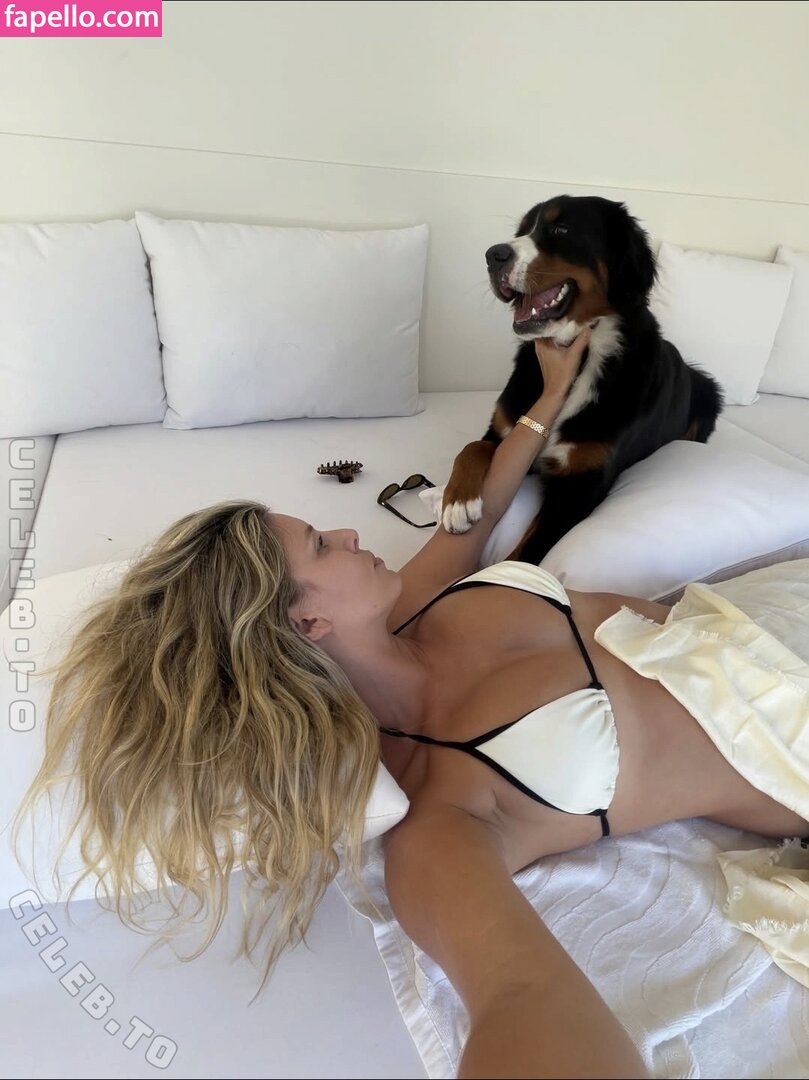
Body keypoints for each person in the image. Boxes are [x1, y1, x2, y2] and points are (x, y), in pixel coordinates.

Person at [16, 327, 809, 1080]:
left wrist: (550, 393)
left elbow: (478, 511)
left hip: (765, 617)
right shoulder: (439, 814)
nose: (348, 532)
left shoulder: (416, 601)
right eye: (321, 545)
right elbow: (517, 995)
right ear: (307, 623)